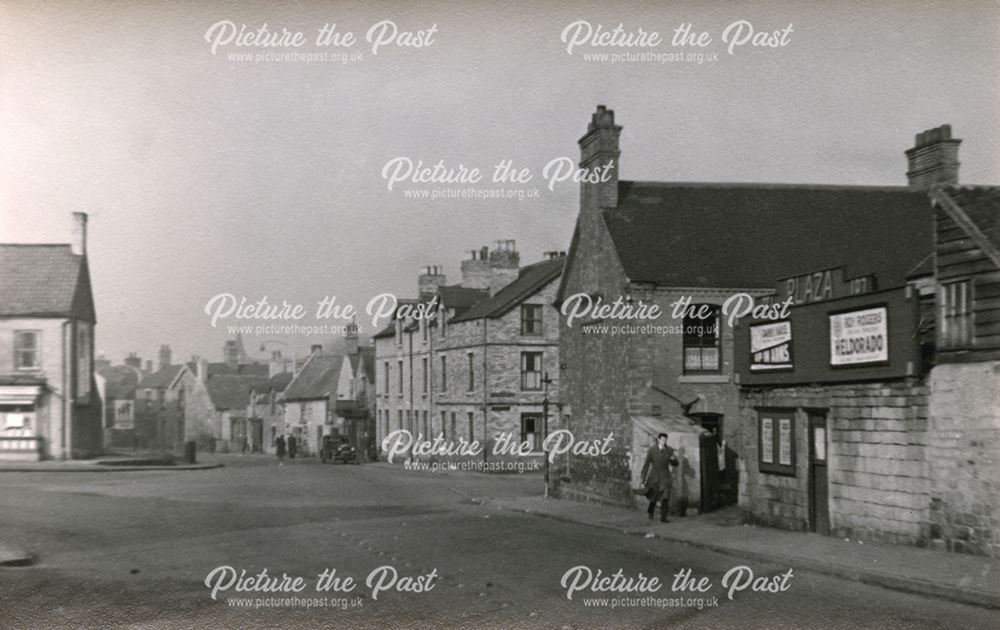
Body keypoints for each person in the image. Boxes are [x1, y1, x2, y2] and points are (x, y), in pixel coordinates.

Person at [641, 432, 680, 523]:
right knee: (653, 497)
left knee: (665, 497)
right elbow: (646, 464)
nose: (664, 441)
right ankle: (651, 511)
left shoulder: (669, 450)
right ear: (658, 439)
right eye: (662, 439)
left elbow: (676, 464)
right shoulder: (652, 450)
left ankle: (663, 517)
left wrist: (673, 460)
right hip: (654, 477)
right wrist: (643, 479)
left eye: (665, 440)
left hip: (665, 477)